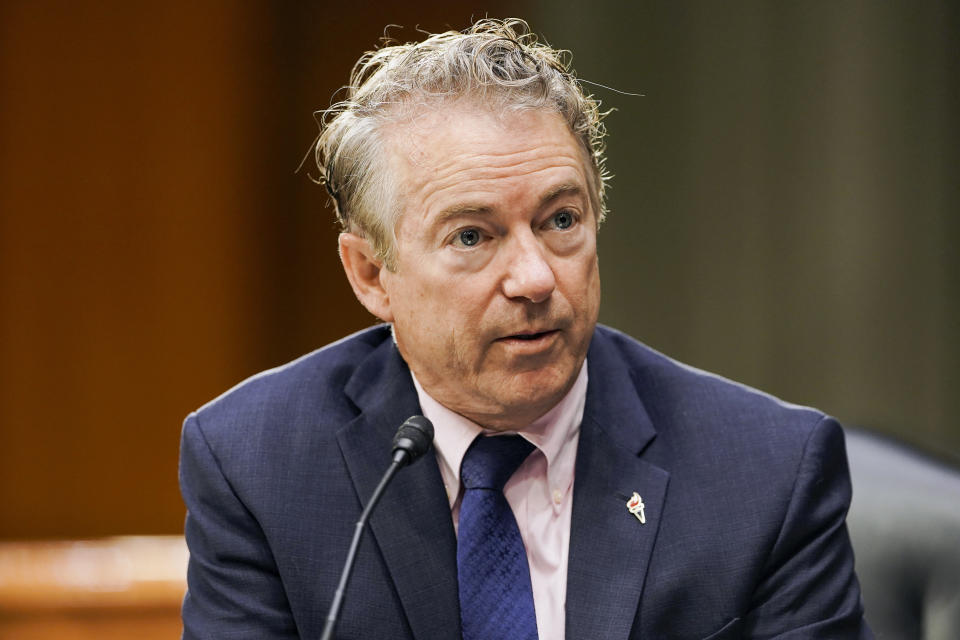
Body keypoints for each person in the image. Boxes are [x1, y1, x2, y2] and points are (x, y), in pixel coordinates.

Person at [179, 18, 872, 640]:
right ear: (370, 275)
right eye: (473, 236)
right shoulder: (258, 464)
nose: (536, 279)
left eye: (560, 220)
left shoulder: (768, 473)